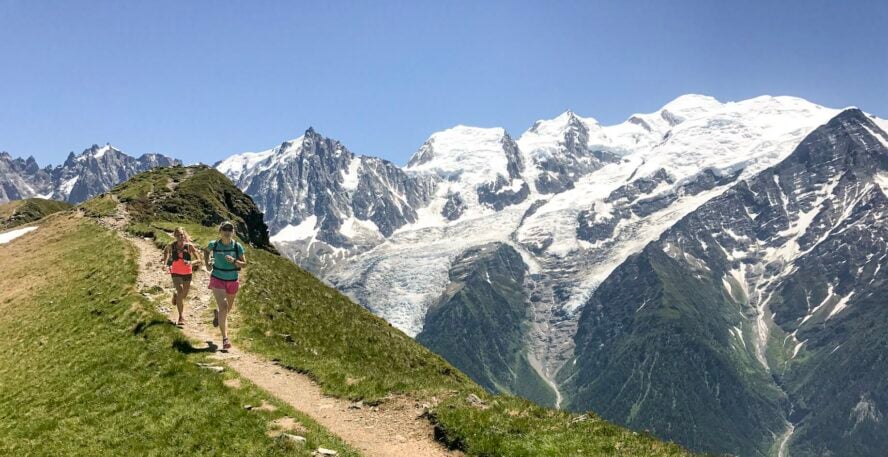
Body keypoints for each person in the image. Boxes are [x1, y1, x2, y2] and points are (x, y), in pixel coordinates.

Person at [204, 221, 246, 351]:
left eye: (230, 230)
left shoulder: (237, 246)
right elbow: (206, 251)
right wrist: (207, 264)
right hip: (217, 278)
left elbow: (244, 264)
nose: (227, 232)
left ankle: (218, 315)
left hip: (232, 279)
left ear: (233, 232)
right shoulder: (214, 244)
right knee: (224, 306)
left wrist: (234, 261)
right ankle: (225, 338)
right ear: (220, 231)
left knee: (227, 310)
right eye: (225, 229)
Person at [161, 227, 200, 327]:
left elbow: (199, 259)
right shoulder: (172, 246)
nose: (180, 237)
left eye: (181, 235)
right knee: (180, 291)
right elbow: (166, 251)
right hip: (175, 272)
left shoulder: (189, 246)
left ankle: (176, 297)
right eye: (177, 235)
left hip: (187, 273)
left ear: (184, 235)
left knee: (183, 295)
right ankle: (181, 317)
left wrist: (191, 262)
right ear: (175, 236)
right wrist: (165, 264)